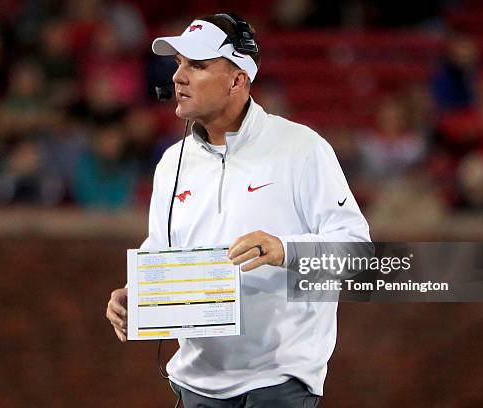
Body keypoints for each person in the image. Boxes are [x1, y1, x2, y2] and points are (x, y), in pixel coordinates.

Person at [106, 13, 370, 407]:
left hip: (279, 384)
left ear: (237, 79)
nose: (179, 76)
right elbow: (160, 248)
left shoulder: (302, 149)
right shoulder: (172, 162)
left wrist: (285, 251)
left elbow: (359, 257)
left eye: (197, 65)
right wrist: (137, 292)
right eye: (178, 63)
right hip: (195, 384)